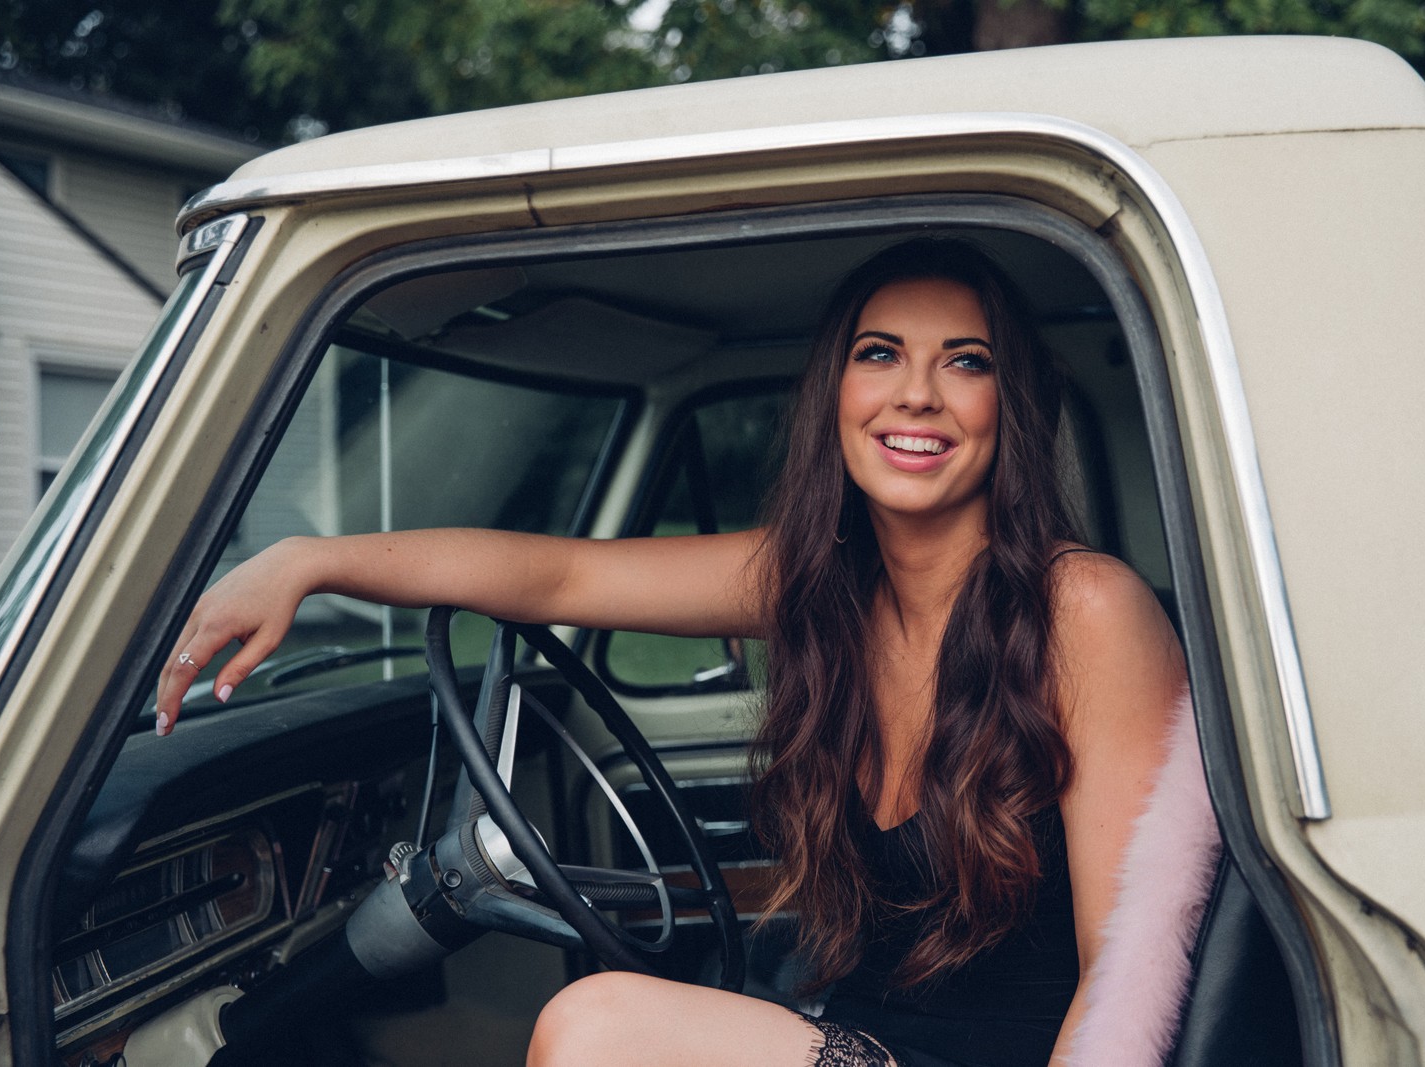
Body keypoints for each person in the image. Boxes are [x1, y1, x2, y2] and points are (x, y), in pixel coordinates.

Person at [156, 238, 1190, 1067]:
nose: (915, 393)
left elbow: (1127, 972)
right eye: (880, 352)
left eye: (966, 361)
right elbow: (560, 578)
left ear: (1010, 403)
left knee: (594, 1025)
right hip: (870, 1037)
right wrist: (312, 558)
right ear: (835, 390)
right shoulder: (818, 585)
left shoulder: (1083, 608)